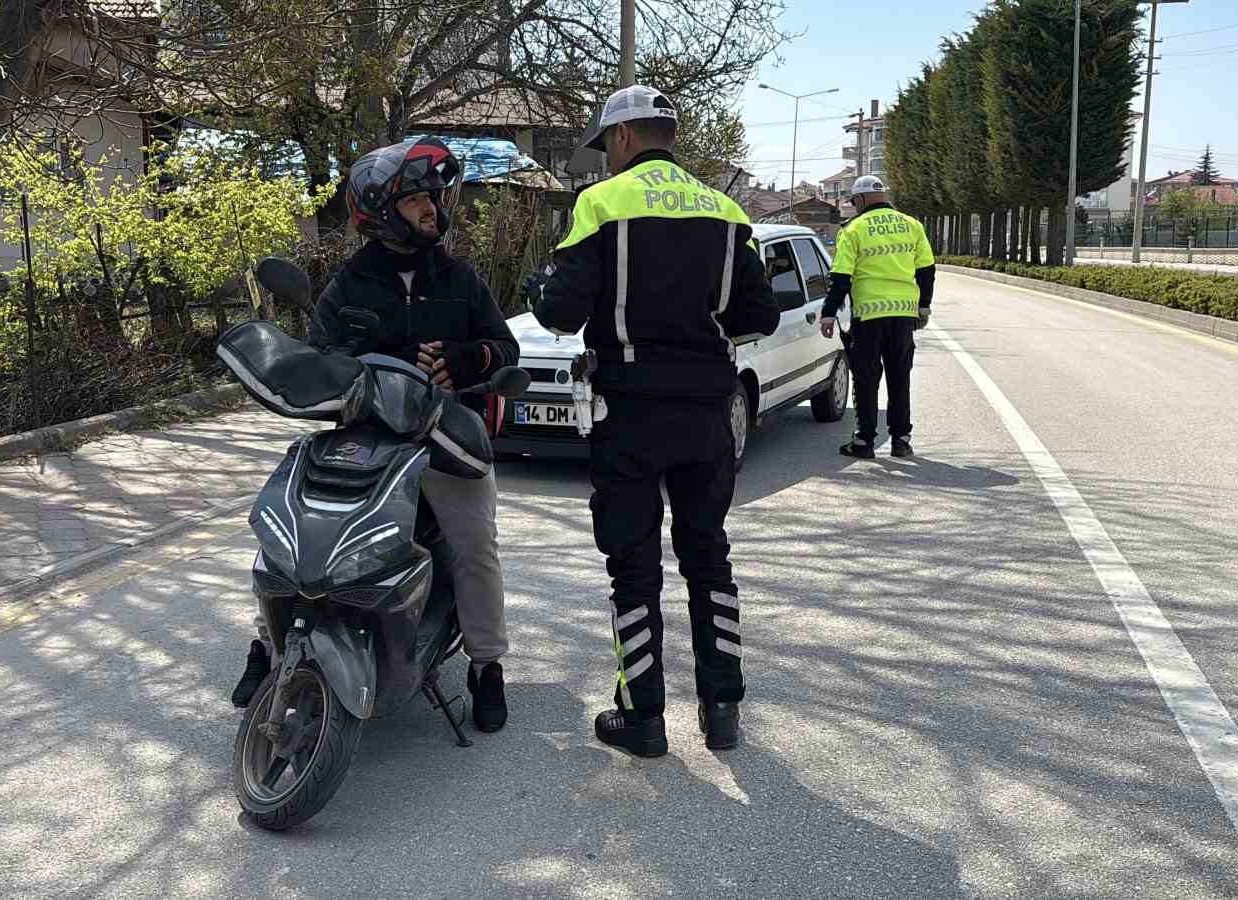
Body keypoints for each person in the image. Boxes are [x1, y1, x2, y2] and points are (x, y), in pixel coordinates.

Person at [231, 137, 520, 734]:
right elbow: (322, 350)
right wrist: (366, 363)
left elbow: (504, 348)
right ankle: (267, 644)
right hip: (363, 434)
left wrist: (467, 360)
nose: (432, 210)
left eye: (434, 199)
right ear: (382, 212)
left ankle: (487, 664)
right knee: (291, 528)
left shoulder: (460, 278)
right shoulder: (350, 282)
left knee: (473, 540)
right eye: (418, 200)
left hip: (444, 436)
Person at [533, 86, 778, 758]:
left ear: (621, 139)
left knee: (633, 569)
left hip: (630, 415)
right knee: (709, 557)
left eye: (605, 148)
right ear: (666, 134)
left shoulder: (601, 203)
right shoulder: (725, 211)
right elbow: (759, 316)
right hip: (707, 416)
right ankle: (722, 708)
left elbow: (558, 312)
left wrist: (541, 287)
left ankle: (642, 719)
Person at [818, 175, 936, 459]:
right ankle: (901, 441)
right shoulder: (912, 225)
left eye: (853, 202)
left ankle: (864, 441)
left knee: (866, 380)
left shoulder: (854, 229)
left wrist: (829, 313)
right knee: (900, 379)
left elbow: (841, 276)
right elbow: (927, 270)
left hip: (869, 316)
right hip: (903, 316)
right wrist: (923, 307)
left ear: (859, 200)